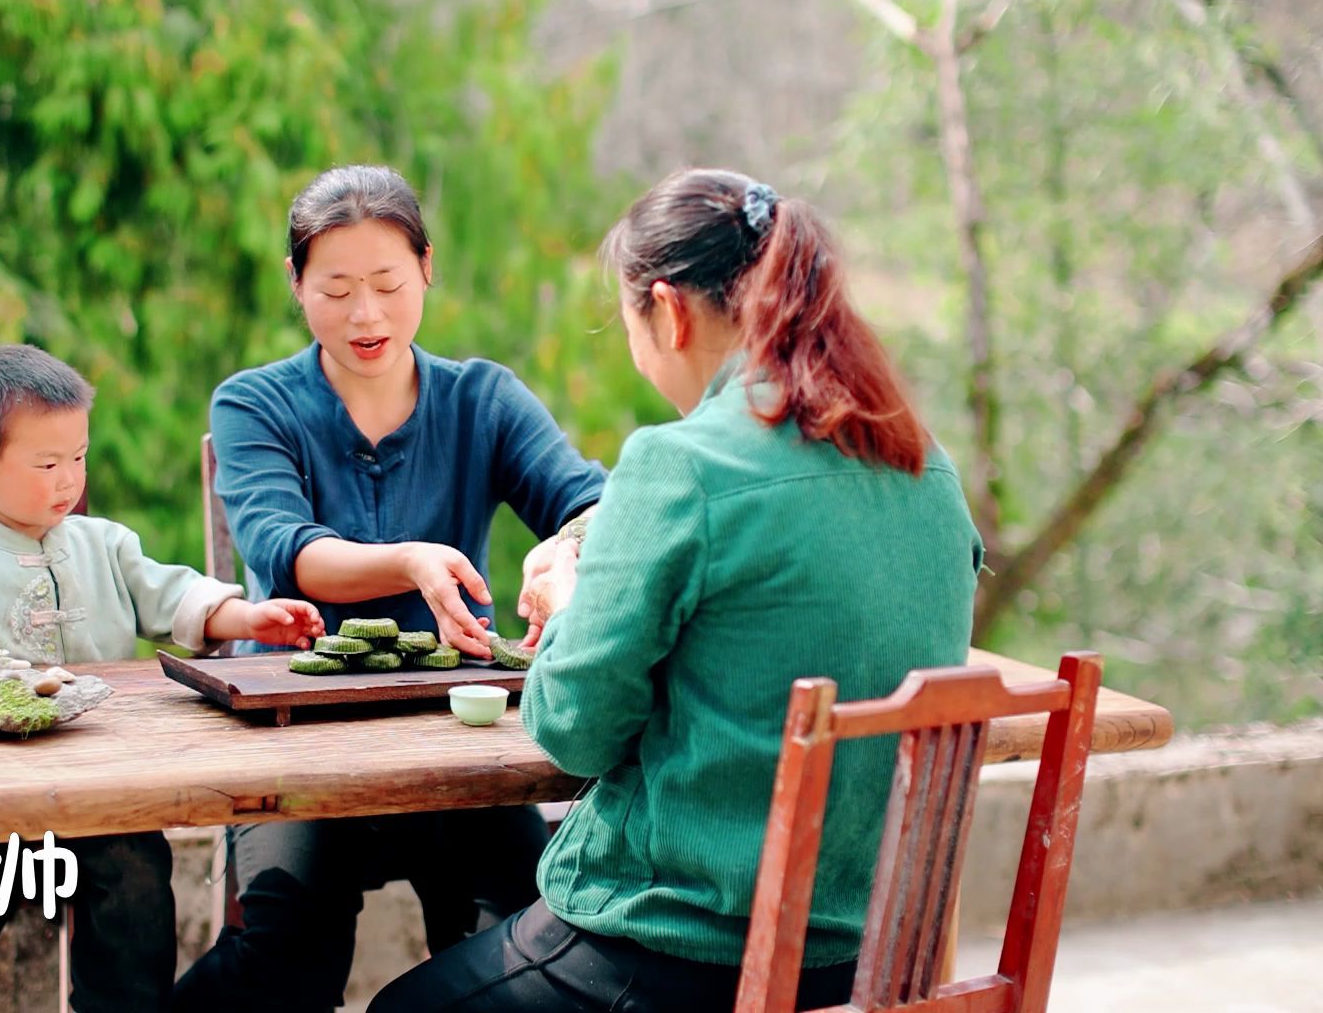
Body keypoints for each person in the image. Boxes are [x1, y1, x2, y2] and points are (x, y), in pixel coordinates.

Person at [369, 169, 985, 1012]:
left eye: (627, 321)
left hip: (678, 955)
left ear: (667, 308)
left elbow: (575, 733)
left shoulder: (682, 465)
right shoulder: (924, 461)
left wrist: (573, 598)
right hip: (864, 956)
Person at [173, 165, 607, 1011]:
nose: (365, 314)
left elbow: (593, 501)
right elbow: (284, 549)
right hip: (294, 749)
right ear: (297, 285)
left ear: (427, 269)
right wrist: (410, 559)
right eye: (336, 289)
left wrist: (568, 555)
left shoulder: (485, 398)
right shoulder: (254, 404)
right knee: (282, 954)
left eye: (387, 284)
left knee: (523, 939)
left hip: (459, 747)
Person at [0, 343, 325, 1013]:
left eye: (79, 457)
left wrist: (250, 616)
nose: (69, 479)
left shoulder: (105, 545)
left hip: (104, 792)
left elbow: (172, 596)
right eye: (47, 463)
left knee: (135, 885)